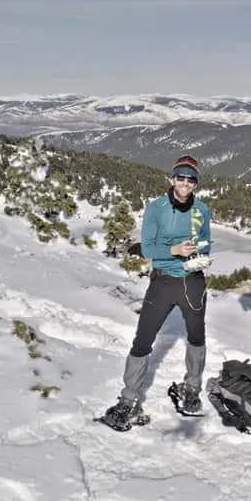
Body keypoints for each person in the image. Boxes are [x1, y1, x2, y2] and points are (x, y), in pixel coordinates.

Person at [100, 155, 213, 430]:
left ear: (195, 183)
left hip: (192, 281)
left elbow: (208, 244)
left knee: (196, 337)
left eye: (191, 179)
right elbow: (147, 248)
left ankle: (192, 389)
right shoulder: (156, 208)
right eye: (181, 177)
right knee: (143, 340)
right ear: (172, 179)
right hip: (162, 282)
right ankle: (129, 399)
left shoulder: (202, 211)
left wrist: (199, 254)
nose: (185, 183)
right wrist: (173, 251)